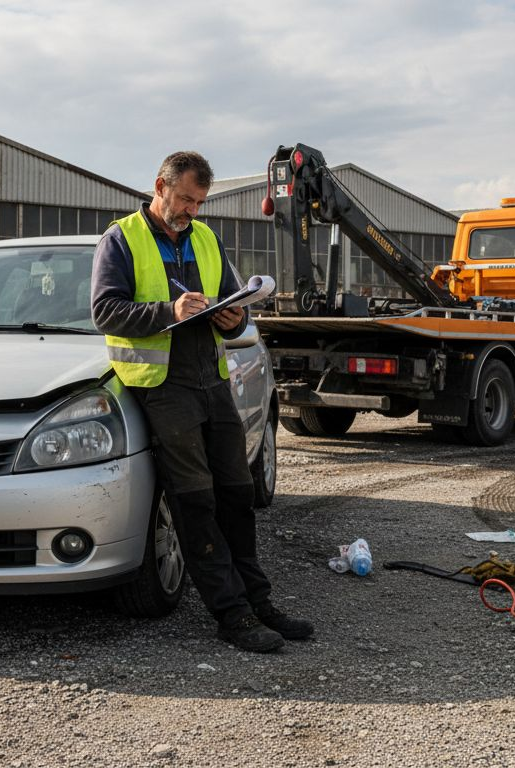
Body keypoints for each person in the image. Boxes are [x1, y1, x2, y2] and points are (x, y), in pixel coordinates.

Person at [91, 151, 313, 653]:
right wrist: (167, 310)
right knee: (196, 501)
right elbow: (104, 310)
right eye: (186, 198)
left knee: (238, 492)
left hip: (211, 379)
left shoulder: (207, 238)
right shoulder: (121, 239)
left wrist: (235, 318)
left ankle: (259, 602)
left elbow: (236, 302)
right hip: (161, 386)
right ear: (160, 186)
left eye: (199, 201)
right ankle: (230, 614)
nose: (191, 209)